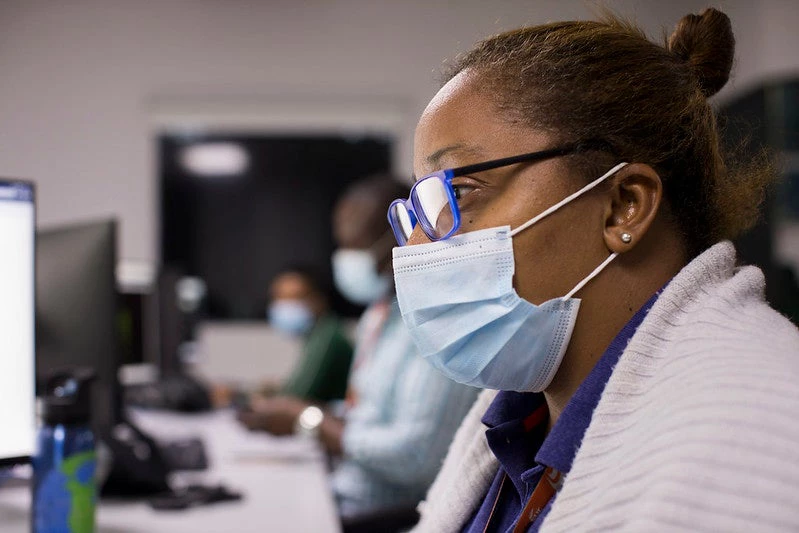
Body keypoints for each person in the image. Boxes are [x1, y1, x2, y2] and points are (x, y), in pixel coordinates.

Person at [386, 8, 799, 532]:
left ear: (623, 205)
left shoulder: (759, 436)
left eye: (461, 193)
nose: (420, 241)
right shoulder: (517, 419)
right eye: (419, 208)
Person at [239, 175, 480, 529]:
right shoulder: (381, 314)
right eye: (343, 244)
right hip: (342, 493)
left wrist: (308, 422)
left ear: (407, 232)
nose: (348, 257)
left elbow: (414, 457)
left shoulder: (442, 324)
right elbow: (367, 414)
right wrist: (311, 415)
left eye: (359, 244)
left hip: (377, 518)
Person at [268, 266, 354, 403]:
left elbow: (296, 397)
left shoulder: (328, 337)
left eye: (295, 298)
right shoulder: (317, 335)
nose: (286, 306)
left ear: (319, 299)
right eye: (279, 298)